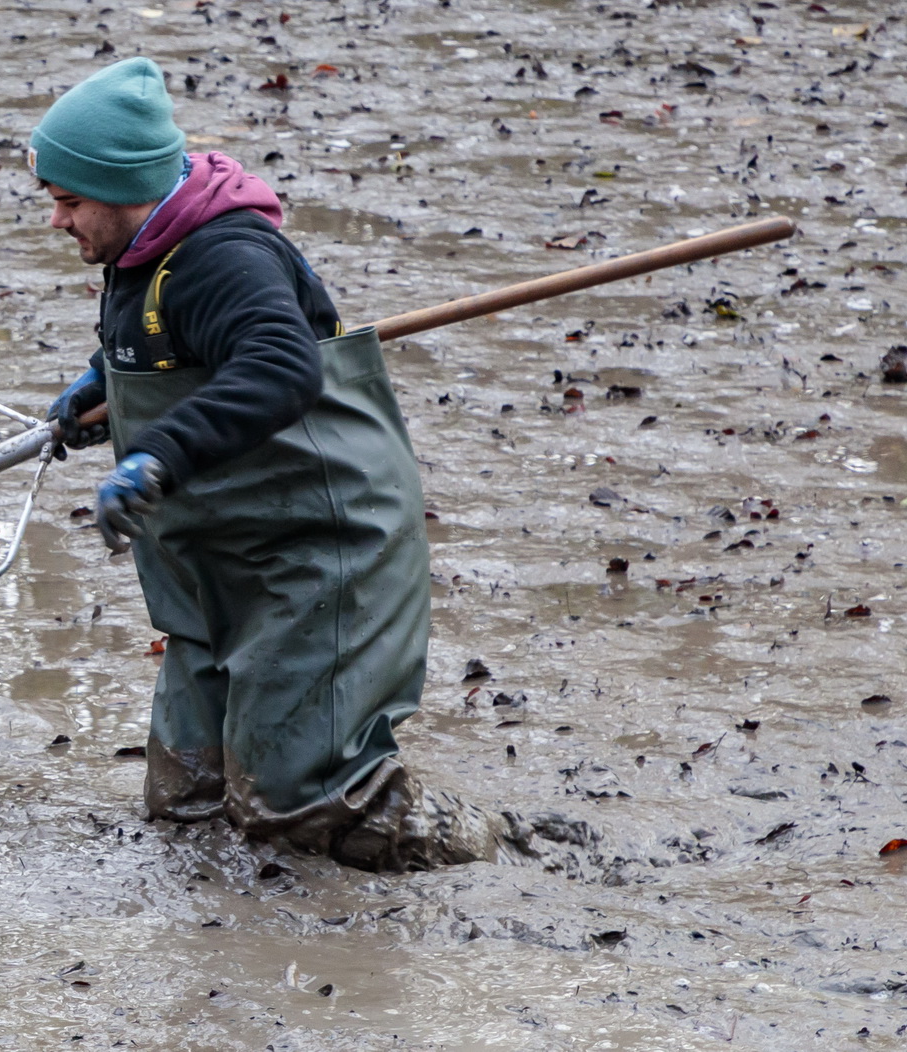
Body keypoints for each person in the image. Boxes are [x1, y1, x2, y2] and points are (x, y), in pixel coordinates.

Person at [30, 57, 551, 872]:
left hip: (317, 551)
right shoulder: (140, 250)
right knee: (189, 805)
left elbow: (279, 366)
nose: (57, 221)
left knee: (303, 804)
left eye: (69, 201)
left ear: (123, 187)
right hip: (218, 563)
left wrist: (159, 450)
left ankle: (507, 849)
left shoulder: (223, 257)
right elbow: (181, 344)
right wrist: (111, 382)